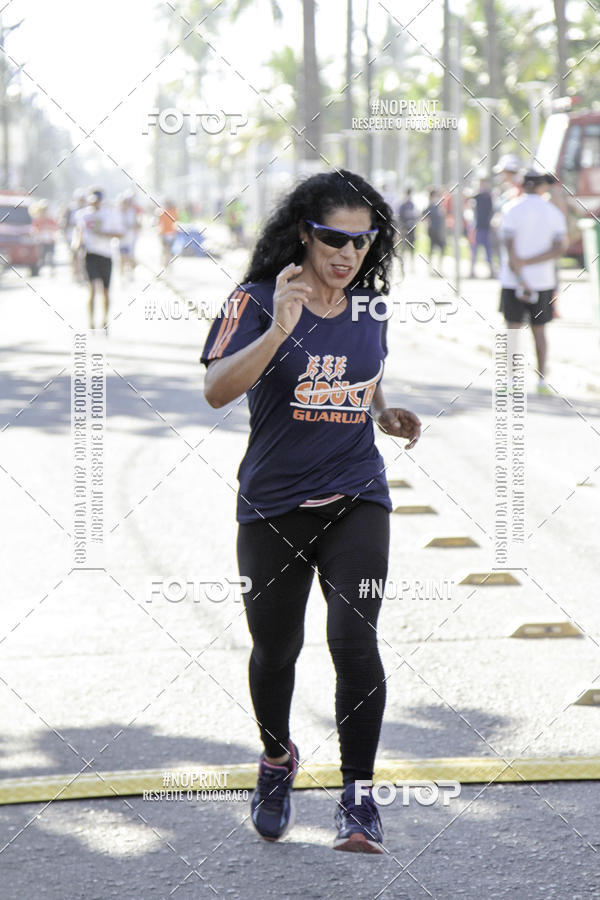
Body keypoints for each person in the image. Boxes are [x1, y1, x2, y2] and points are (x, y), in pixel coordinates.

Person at [201, 169, 421, 853]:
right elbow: (215, 389)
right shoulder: (256, 300)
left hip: (358, 493)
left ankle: (358, 802)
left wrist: (384, 412)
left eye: (363, 240)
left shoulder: (371, 307)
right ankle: (276, 758)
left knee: (355, 642)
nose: (348, 253)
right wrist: (278, 333)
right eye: (334, 237)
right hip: (274, 502)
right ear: (304, 232)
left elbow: (366, 370)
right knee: (276, 650)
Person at [499, 170, 567, 394]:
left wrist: (520, 264)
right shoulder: (553, 213)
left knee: (513, 329)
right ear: (541, 187)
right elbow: (559, 248)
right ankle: (541, 379)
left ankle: (511, 380)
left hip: (513, 281)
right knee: (540, 330)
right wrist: (531, 262)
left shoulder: (511, 208)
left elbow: (508, 244)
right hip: (542, 281)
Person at [75, 189, 123, 331]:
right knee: (92, 290)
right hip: (90, 255)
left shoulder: (110, 215)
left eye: (97, 200)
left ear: (101, 201)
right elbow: (79, 235)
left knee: (106, 291)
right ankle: (91, 321)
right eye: (92, 200)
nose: (95, 203)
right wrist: (76, 253)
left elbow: (120, 233)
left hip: (106, 255)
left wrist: (104, 233)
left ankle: (105, 320)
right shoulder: (82, 215)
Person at [470, 178, 496, 278]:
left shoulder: (489, 196)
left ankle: (491, 271)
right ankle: (471, 271)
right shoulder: (477, 196)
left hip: (486, 227)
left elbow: (492, 210)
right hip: (477, 227)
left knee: (488, 251)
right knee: (474, 250)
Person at [423, 188, 446, 275]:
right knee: (432, 249)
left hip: (439, 230)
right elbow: (425, 217)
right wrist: (430, 224)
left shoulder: (438, 206)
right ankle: (431, 269)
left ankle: (440, 268)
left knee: (441, 248)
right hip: (433, 231)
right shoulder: (430, 206)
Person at [118, 191, 141, 280]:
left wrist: (133, 226)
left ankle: (131, 274)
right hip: (121, 239)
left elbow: (137, 224)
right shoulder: (118, 212)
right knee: (122, 257)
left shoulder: (132, 212)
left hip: (131, 238)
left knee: (130, 257)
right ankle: (121, 275)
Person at [31, 200, 58, 272]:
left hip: (50, 240)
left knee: (50, 256)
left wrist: (49, 230)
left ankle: (52, 270)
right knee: (41, 256)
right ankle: (39, 269)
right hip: (41, 241)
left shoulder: (50, 219)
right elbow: (34, 230)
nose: (44, 212)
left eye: (45, 210)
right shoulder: (37, 219)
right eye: (43, 210)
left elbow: (55, 228)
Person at [397, 188, 418, 274]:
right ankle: (402, 267)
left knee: (411, 247)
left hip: (411, 228)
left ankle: (412, 267)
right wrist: (401, 229)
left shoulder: (412, 205)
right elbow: (399, 218)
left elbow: (415, 217)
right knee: (403, 249)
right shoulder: (402, 205)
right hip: (404, 229)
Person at [158, 200, 178, 266]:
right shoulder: (173, 212)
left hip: (166, 233)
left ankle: (165, 263)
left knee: (166, 249)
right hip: (169, 233)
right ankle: (166, 263)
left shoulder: (164, 212)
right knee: (167, 249)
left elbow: (159, 223)